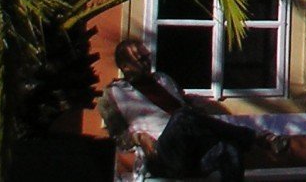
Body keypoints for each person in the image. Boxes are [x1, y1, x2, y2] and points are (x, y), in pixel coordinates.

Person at [111, 37, 286, 181]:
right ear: (125, 66)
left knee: (229, 149)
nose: (147, 62)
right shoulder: (115, 92)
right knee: (182, 116)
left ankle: (254, 138)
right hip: (161, 156)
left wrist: (197, 104)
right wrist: (138, 136)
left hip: (189, 152)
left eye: (147, 57)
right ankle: (256, 137)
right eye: (140, 59)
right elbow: (117, 137)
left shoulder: (162, 79)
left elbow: (183, 102)